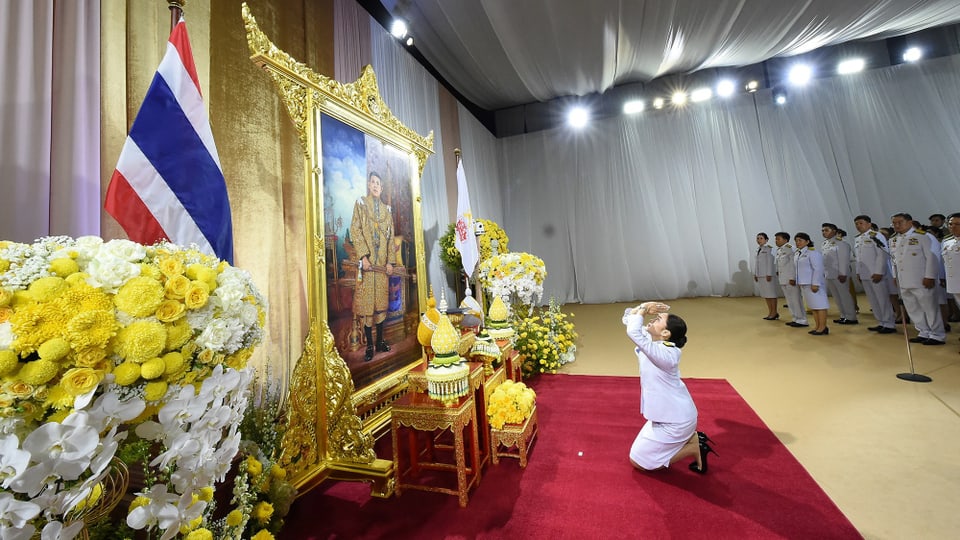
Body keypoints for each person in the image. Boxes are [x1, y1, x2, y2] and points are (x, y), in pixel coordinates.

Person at [623, 302, 715, 474]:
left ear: (665, 333)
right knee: (637, 454)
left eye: (657, 319)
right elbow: (628, 319)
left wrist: (643, 308)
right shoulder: (653, 342)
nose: (652, 319)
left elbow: (633, 331)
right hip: (664, 416)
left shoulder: (668, 354)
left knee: (638, 462)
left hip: (676, 421)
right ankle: (691, 438)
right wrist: (643, 308)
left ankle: (694, 447)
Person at [351, 171, 397, 361]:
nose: (376, 185)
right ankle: (370, 345)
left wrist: (389, 262)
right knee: (368, 306)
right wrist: (363, 256)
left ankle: (380, 342)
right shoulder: (361, 204)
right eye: (373, 182)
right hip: (368, 266)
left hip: (381, 268)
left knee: (381, 306)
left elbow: (390, 237)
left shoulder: (387, 211)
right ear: (369, 185)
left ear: (381, 187)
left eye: (379, 183)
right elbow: (355, 229)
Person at [890, 213, 945, 345]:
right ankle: (923, 331)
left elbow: (932, 258)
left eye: (900, 222)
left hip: (922, 280)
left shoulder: (923, 236)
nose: (896, 225)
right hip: (904, 280)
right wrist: (894, 276)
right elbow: (894, 260)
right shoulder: (894, 239)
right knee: (912, 308)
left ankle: (937, 334)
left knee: (930, 308)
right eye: (894, 223)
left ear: (910, 222)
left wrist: (930, 276)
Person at [853, 215, 896, 333]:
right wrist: (858, 272)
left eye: (861, 223)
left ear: (869, 224)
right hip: (865, 274)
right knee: (873, 300)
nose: (858, 226)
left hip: (876, 274)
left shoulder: (876, 236)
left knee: (882, 299)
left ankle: (889, 324)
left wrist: (879, 271)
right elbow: (858, 258)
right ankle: (881, 321)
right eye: (856, 224)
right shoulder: (858, 238)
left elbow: (882, 254)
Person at [821, 223, 858, 324]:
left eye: (826, 230)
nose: (824, 232)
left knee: (844, 295)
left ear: (834, 231)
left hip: (839, 274)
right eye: (823, 230)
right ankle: (843, 315)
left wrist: (843, 273)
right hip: (829, 274)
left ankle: (851, 317)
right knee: (837, 297)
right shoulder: (825, 243)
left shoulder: (841, 243)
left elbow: (844, 259)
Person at [795, 232, 829, 335]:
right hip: (805, 283)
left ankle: (822, 327)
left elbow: (818, 269)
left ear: (807, 241)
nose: (798, 242)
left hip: (814, 284)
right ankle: (818, 326)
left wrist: (815, 283)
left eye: (800, 240)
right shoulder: (798, 253)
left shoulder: (813, 253)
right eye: (796, 241)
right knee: (814, 306)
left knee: (820, 305)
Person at [775, 232, 807, 327]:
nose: (776, 241)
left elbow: (794, 264)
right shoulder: (779, 250)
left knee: (796, 299)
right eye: (776, 239)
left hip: (790, 279)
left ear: (785, 240)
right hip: (783, 278)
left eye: (778, 239)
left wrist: (793, 277)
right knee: (790, 300)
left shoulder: (790, 248)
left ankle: (802, 320)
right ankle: (795, 318)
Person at [754, 232, 779, 319]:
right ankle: (770, 312)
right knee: (766, 295)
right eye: (757, 238)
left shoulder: (769, 249)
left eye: (761, 238)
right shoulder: (758, 249)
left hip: (767, 275)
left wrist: (769, 274)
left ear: (766, 240)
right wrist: (756, 274)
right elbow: (757, 263)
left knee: (771, 295)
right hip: (761, 275)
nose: (759, 240)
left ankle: (774, 312)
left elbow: (770, 262)